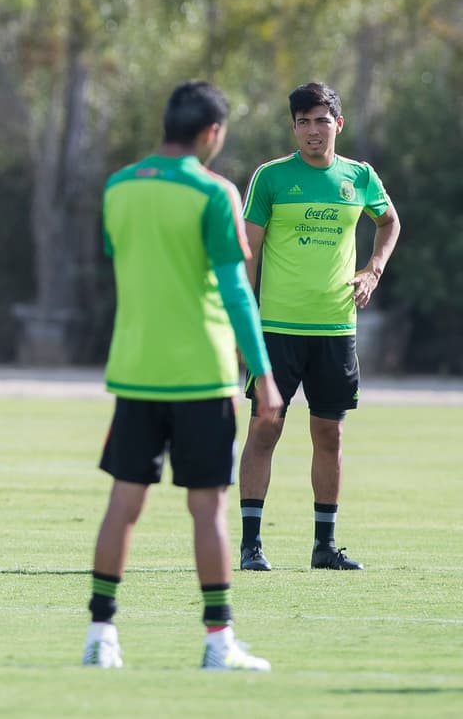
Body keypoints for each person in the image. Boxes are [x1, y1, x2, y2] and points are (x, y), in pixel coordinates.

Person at [83, 80, 283, 672]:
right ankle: (218, 643)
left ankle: (101, 635)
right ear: (212, 133)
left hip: (136, 371)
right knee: (208, 511)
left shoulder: (119, 187)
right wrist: (263, 373)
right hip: (202, 375)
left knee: (123, 503)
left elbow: (120, 258)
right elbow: (237, 292)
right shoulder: (215, 192)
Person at [237, 82, 401, 572]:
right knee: (265, 429)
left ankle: (324, 547)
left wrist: (373, 270)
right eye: (303, 121)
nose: (313, 130)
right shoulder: (270, 178)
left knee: (330, 434)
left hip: (335, 330)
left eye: (321, 120)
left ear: (338, 124)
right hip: (277, 331)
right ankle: (250, 545)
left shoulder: (359, 176)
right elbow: (247, 255)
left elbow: (389, 222)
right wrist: (245, 325)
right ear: (294, 127)